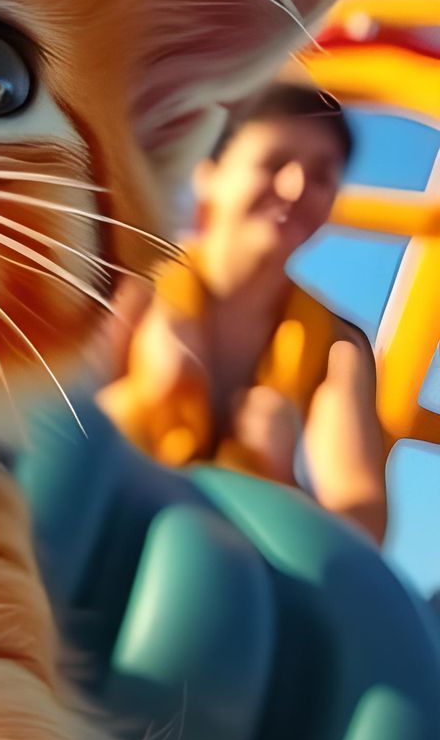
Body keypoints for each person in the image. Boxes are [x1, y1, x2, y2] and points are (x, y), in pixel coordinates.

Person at [100, 81, 389, 542]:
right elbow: (44, 440)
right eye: (274, 162)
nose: (295, 187)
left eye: (321, 176)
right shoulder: (130, 278)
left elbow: (361, 522)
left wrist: (281, 482)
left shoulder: (338, 348)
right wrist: (142, 397)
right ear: (209, 173)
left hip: (234, 561)